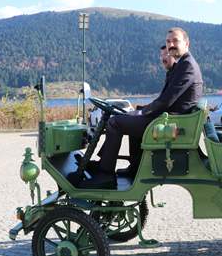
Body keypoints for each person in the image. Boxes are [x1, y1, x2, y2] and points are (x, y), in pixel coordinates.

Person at [79, 27, 203, 189]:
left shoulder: (187, 66)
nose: (170, 45)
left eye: (175, 41)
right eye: (168, 42)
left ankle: (105, 175)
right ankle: (133, 168)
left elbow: (166, 101)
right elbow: (166, 100)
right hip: (172, 120)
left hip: (172, 126)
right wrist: (140, 110)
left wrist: (143, 112)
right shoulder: (181, 65)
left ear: (186, 43)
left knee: (115, 123)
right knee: (130, 119)